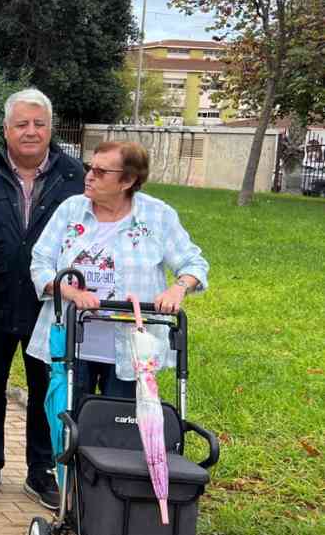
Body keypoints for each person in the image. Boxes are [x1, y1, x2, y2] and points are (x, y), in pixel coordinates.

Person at [0, 89, 84, 510]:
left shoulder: (77, 177)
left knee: (44, 389)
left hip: (51, 307)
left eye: (39, 124)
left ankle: (41, 470)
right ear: (6, 130)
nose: (31, 132)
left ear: (51, 128)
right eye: (22, 124)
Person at [27, 141, 208, 406]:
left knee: (118, 434)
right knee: (67, 430)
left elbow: (194, 264)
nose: (88, 176)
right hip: (71, 345)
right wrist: (70, 293)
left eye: (101, 172)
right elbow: (40, 262)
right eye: (90, 167)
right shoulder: (71, 209)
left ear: (128, 180)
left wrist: (177, 288)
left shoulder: (157, 215)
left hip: (132, 351)